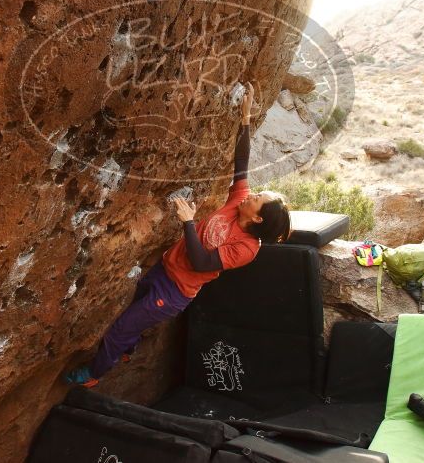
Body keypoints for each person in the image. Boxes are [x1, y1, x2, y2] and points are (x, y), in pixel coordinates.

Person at [63, 82, 292, 388]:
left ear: (258, 217)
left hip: (174, 291)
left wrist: (188, 221)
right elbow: (242, 164)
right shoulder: (239, 203)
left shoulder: (246, 248)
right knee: (134, 313)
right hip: (163, 269)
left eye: (257, 199)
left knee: (121, 327)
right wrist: (246, 118)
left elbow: (201, 262)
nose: (252, 195)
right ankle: (126, 351)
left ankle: (93, 375)